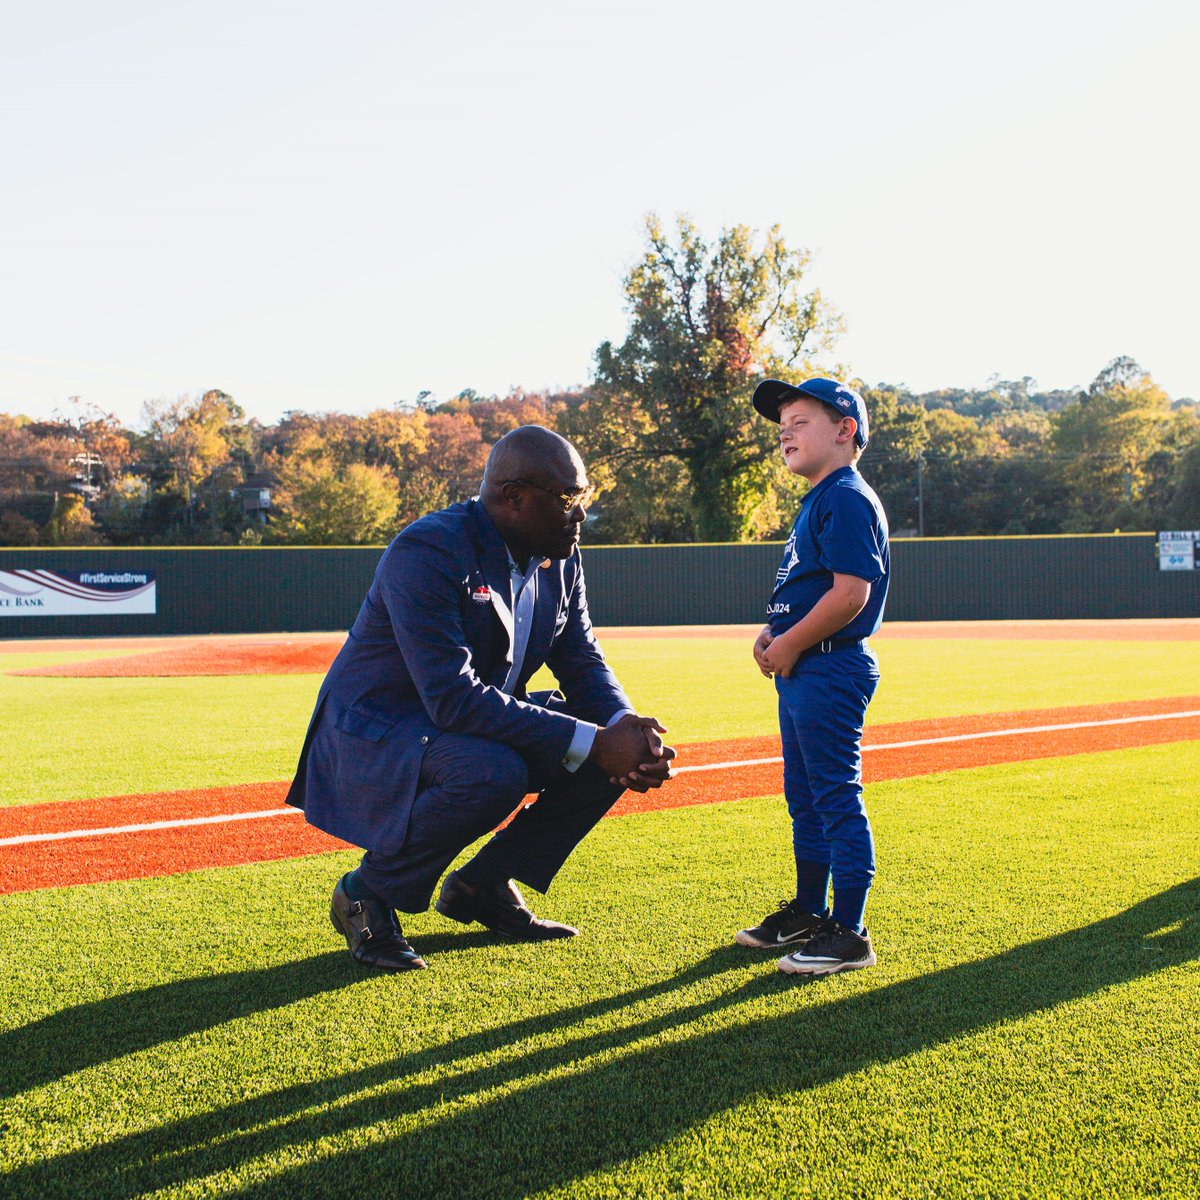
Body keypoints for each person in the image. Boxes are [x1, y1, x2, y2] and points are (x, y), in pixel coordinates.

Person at [287, 425, 675, 971]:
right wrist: (594, 739)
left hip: (460, 721)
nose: (580, 514)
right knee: (495, 771)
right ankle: (365, 892)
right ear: (513, 498)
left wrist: (624, 726)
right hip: (380, 729)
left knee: (608, 753)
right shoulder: (427, 548)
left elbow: (580, 655)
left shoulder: (559, 555)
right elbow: (451, 697)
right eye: (568, 499)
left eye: (583, 498)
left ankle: (482, 885)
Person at [736, 378, 890, 976]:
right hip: (807, 662)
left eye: (799, 420)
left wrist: (793, 641)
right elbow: (807, 589)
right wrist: (775, 632)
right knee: (805, 799)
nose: (785, 431)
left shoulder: (847, 495)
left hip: (829, 664)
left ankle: (849, 932)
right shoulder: (821, 498)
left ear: (844, 429)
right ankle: (809, 910)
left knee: (833, 796)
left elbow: (851, 593)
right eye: (782, 424)